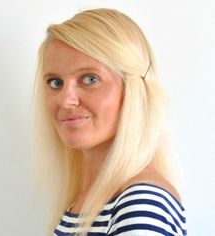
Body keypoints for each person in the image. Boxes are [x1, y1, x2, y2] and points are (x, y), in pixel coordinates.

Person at [33, 8, 187, 236]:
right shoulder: (89, 202)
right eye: (56, 82)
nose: (65, 100)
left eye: (90, 79)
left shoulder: (141, 205)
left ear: (133, 90)